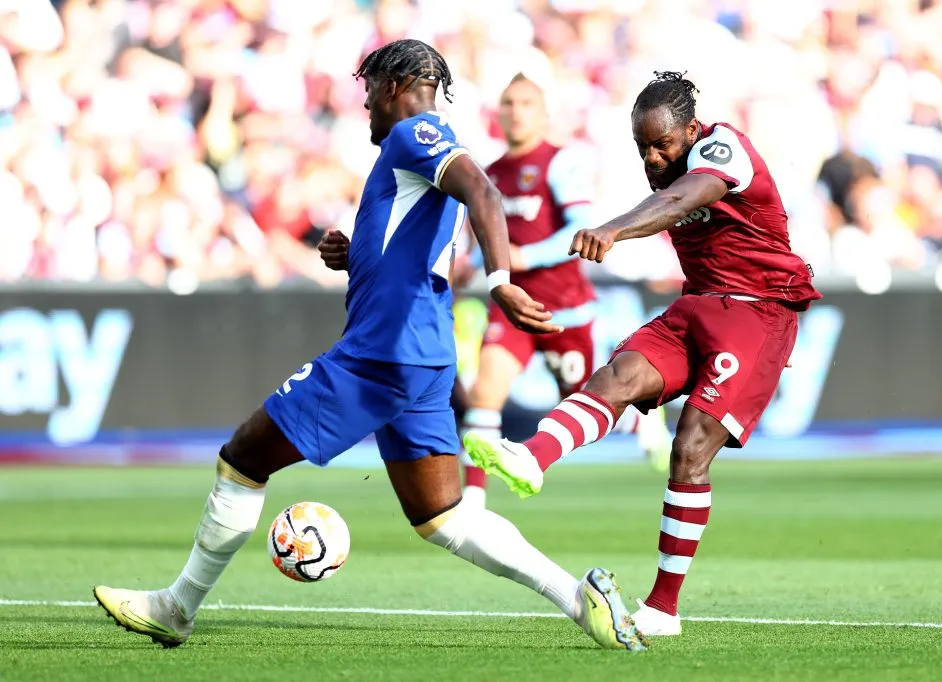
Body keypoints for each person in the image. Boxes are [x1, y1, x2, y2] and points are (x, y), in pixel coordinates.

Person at [93, 40, 647, 653]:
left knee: (243, 457)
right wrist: (350, 254)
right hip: (423, 355)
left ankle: (176, 608)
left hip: (383, 352)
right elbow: (421, 248)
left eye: (368, 91)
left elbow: (485, 195)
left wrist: (500, 283)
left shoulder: (417, 133)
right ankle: (580, 599)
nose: (363, 106)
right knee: (444, 517)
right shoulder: (422, 147)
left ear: (394, 85)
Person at [464, 71, 820, 635]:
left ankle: (662, 608)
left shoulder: (724, 148)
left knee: (691, 447)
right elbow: (671, 195)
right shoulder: (667, 165)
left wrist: (613, 229)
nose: (654, 159)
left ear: (692, 130)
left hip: (757, 313)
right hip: (699, 305)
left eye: (663, 144)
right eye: (642, 148)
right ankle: (532, 457)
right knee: (617, 376)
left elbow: (684, 198)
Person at [455, 73, 672, 508]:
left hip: (563, 310)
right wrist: (470, 266)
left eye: (526, 104)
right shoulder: (490, 174)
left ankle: (640, 424)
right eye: (508, 104)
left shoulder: (560, 162)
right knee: (484, 396)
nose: (516, 112)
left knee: (583, 404)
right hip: (514, 308)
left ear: (543, 114)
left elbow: (579, 229)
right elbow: (491, 242)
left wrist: (526, 257)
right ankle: (472, 505)